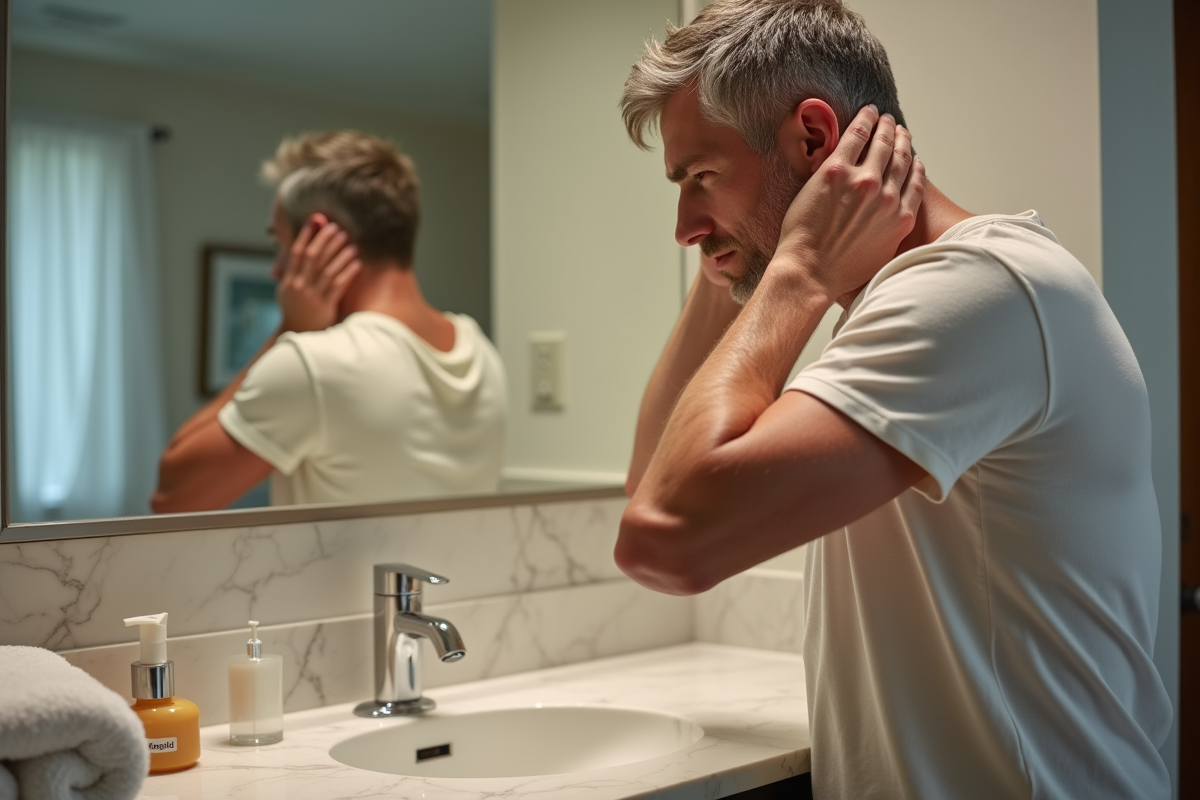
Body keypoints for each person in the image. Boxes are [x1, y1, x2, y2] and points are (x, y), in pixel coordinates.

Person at [614, 1, 1172, 798]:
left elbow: (664, 538)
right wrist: (739, 255)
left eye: (700, 176)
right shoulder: (902, 306)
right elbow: (653, 480)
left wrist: (798, 267)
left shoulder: (979, 291)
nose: (683, 224)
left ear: (814, 139)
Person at [152, 131, 506, 512]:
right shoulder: (482, 353)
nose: (276, 270)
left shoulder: (314, 364)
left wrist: (287, 331)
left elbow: (173, 496)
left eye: (279, 244)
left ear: (319, 237)